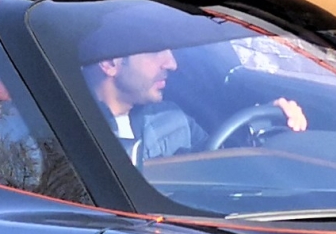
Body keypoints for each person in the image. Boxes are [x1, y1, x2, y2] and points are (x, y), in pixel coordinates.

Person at [84, 37, 305, 165]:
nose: (172, 64)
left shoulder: (171, 118)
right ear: (111, 63)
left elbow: (214, 162)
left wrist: (267, 131)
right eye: (155, 52)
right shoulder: (73, 133)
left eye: (170, 51)